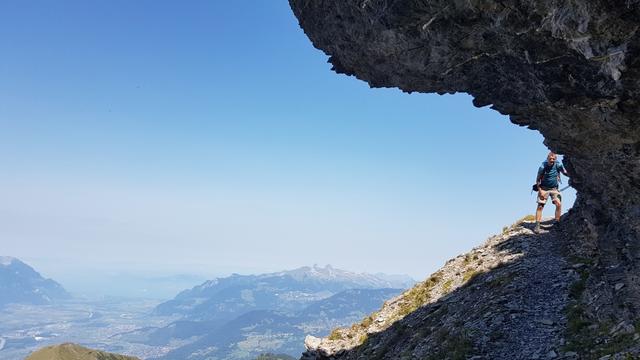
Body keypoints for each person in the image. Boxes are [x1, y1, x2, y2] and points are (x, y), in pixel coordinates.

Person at [534, 152, 569, 233]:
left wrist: (572, 175)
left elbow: (564, 172)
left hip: (554, 188)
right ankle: (537, 225)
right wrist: (540, 191)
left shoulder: (558, 165)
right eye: (550, 159)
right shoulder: (543, 167)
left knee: (558, 204)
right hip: (543, 188)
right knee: (540, 206)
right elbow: (537, 180)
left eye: (553, 159)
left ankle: (557, 223)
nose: (552, 160)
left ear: (555, 159)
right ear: (547, 158)